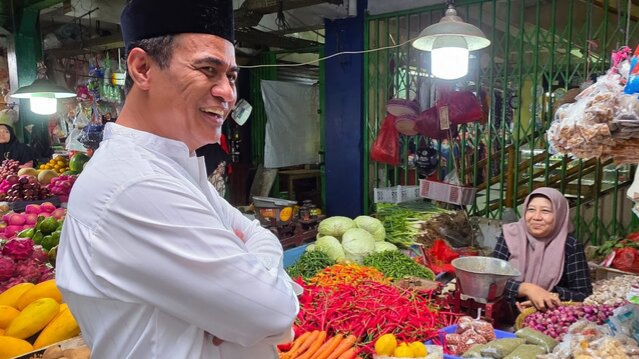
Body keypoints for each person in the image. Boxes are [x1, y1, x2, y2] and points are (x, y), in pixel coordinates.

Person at [55, 1, 299, 358]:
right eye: (207, 69)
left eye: (230, 76)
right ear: (142, 68)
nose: (228, 93)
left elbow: (258, 233)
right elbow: (273, 312)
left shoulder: (170, 167)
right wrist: (255, 276)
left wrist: (252, 257)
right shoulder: (136, 184)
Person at [493, 187, 592, 314]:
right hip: (503, 318)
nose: (536, 217)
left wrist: (548, 297)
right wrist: (527, 289)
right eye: (531, 210)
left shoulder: (570, 245)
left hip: (547, 322)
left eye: (545, 211)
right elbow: (491, 281)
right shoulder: (511, 235)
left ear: (559, 214)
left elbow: (583, 294)